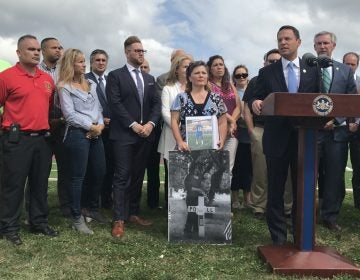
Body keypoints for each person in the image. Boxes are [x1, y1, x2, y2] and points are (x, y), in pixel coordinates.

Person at [249, 25, 319, 245]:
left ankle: (301, 234)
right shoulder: (267, 72)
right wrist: (256, 102)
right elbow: (255, 97)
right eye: (279, 39)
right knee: (276, 190)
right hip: (276, 138)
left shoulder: (314, 70)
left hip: (304, 139)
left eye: (287, 38)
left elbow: (321, 99)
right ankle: (278, 238)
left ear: (299, 42)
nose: (283, 42)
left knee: (302, 189)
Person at [0, 35, 58, 245]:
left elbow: (49, 106)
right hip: (17, 140)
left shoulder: (47, 79)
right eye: (31, 49)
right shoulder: (6, 77)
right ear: (19, 52)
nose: (36, 53)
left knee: (39, 184)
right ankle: (9, 227)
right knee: (12, 185)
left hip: (42, 139)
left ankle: (38, 222)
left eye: (37, 50)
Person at [107, 36, 161, 238]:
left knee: (138, 176)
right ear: (127, 52)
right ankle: (119, 218)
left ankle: (133, 212)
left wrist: (150, 124)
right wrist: (134, 125)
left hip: (145, 135)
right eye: (137, 50)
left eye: (143, 51)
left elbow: (156, 105)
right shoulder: (115, 76)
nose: (141, 53)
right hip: (124, 135)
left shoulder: (149, 79)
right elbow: (115, 104)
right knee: (122, 176)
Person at [58, 48, 106, 234]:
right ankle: (76, 216)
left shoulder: (91, 84)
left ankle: (91, 209)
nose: (84, 64)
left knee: (100, 171)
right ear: (71, 64)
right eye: (79, 61)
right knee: (78, 177)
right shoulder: (64, 86)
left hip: (95, 133)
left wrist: (99, 126)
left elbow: (99, 109)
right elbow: (69, 115)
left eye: (84, 61)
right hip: (78, 134)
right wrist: (90, 126)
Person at [314, 32, 358, 231]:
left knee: (334, 175)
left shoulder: (345, 71)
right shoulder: (307, 68)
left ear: (333, 46)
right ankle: (305, 212)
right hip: (311, 131)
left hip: (337, 134)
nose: (322, 46)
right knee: (307, 172)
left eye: (326, 43)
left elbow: (351, 100)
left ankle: (330, 216)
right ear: (314, 46)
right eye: (319, 43)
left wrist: (337, 119)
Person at [243, 49, 293, 220]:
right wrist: (251, 130)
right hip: (261, 129)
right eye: (270, 61)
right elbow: (247, 107)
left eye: (276, 61)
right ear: (264, 62)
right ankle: (259, 206)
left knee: (287, 173)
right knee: (260, 171)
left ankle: (287, 207)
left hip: (286, 131)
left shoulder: (289, 78)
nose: (273, 63)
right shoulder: (257, 80)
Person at [39, 37, 71, 217]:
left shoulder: (65, 71)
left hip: (63, 124)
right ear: (43, 50)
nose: (58, 50)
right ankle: (36, 209)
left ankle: (65, 206)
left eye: (60, 47)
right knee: (39, 170)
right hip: (43, 123)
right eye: (54, 48)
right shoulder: (35, 70)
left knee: (65, 169)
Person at [157, 54, 192, 207]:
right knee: (174, 175)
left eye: (190, 66)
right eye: (185, 66)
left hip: (194, 137)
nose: (188, 69)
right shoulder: (168, 88)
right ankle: (172, 209)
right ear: (176, 70)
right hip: (172, 136)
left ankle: (189, 206)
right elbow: (165, 112)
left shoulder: (197, 88)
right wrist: (180, 130)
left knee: (191, 175)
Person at [170, 60, 227, 152]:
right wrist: (180, 141)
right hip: (186, 148)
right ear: (189, 78)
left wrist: (222, 140)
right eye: (197, 73)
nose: (201, 75)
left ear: (207, 77)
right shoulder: (181, 98)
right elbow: (174, 121)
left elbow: (222, 122)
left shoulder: (216, 98)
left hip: (212, 148)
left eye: (204, 73)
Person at [206, 55, 241, 204]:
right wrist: (231, 121)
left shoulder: (230, 84)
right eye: (215, 65)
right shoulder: (207, 85)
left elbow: (238, 106)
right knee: (212, 167)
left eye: (221, 64)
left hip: (232, 132)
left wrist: (232, 123)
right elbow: (213, 106)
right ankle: (209, 200)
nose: (219, 67)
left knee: (228, 168)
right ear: (210, 68)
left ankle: (222, 204)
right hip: (215, 131)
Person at [84, 49, 113, 218]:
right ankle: (87, 203)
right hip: (93, 129)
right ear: (91, 62)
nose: (101, 63)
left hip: (112, 131)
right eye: (97, 60)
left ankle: (106, 200)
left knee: (109, 168)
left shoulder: (111, 81)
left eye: (103, 60)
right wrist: (101, 119)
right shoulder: (84, 80)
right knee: (91, 170)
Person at [140, 58, 162, 209]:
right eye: (141, 66)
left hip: (153, 133)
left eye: (146, 67)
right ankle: (133, 201)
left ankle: (153, 203)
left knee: (153, 170)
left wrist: (150, 125)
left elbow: (157, 107)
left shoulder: (152, 84)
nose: (143, 69)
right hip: (133, 132)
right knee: (135, 170)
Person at [230, 64, 252, 209]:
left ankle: (248, 199)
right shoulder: (232, 93)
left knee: (249, 169)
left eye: (244, 74)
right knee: (236, 168)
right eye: (238, 75)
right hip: (236, 134)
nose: (241, 77)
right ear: (234, 78)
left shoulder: (253, 91)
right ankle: (234, 199)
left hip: (250, 134)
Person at [344, 52, 360, 208]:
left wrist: (357, 123)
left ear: (357, 65)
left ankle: (358, 203)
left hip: (357, 131)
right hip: (339, 129)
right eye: (346, 64)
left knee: (358, 167)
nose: (349, 67)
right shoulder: (338, 80)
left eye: (352, 64)